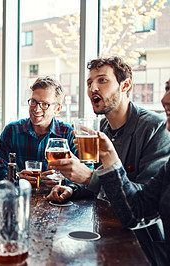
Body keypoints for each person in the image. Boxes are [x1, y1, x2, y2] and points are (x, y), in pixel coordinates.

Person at [47, 56, 170, 265]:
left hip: (144, 244)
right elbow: (103, 180)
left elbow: (143, 199)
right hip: (107, 230)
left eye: (102, 80)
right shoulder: (103, 128)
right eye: (89, 83)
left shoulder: (155, 127)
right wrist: (74, 189)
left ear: (126, 85)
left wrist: (88, 178)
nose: (93, 87)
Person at [0, 76, 78, 185]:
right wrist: (14, 177)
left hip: (58, 199)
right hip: (20, 197)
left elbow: (85, 173)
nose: (36, 109)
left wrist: (62, 181)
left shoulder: (68, 133)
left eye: (45, 104)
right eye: (33, 101)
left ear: (57, 109)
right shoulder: (12, 130)